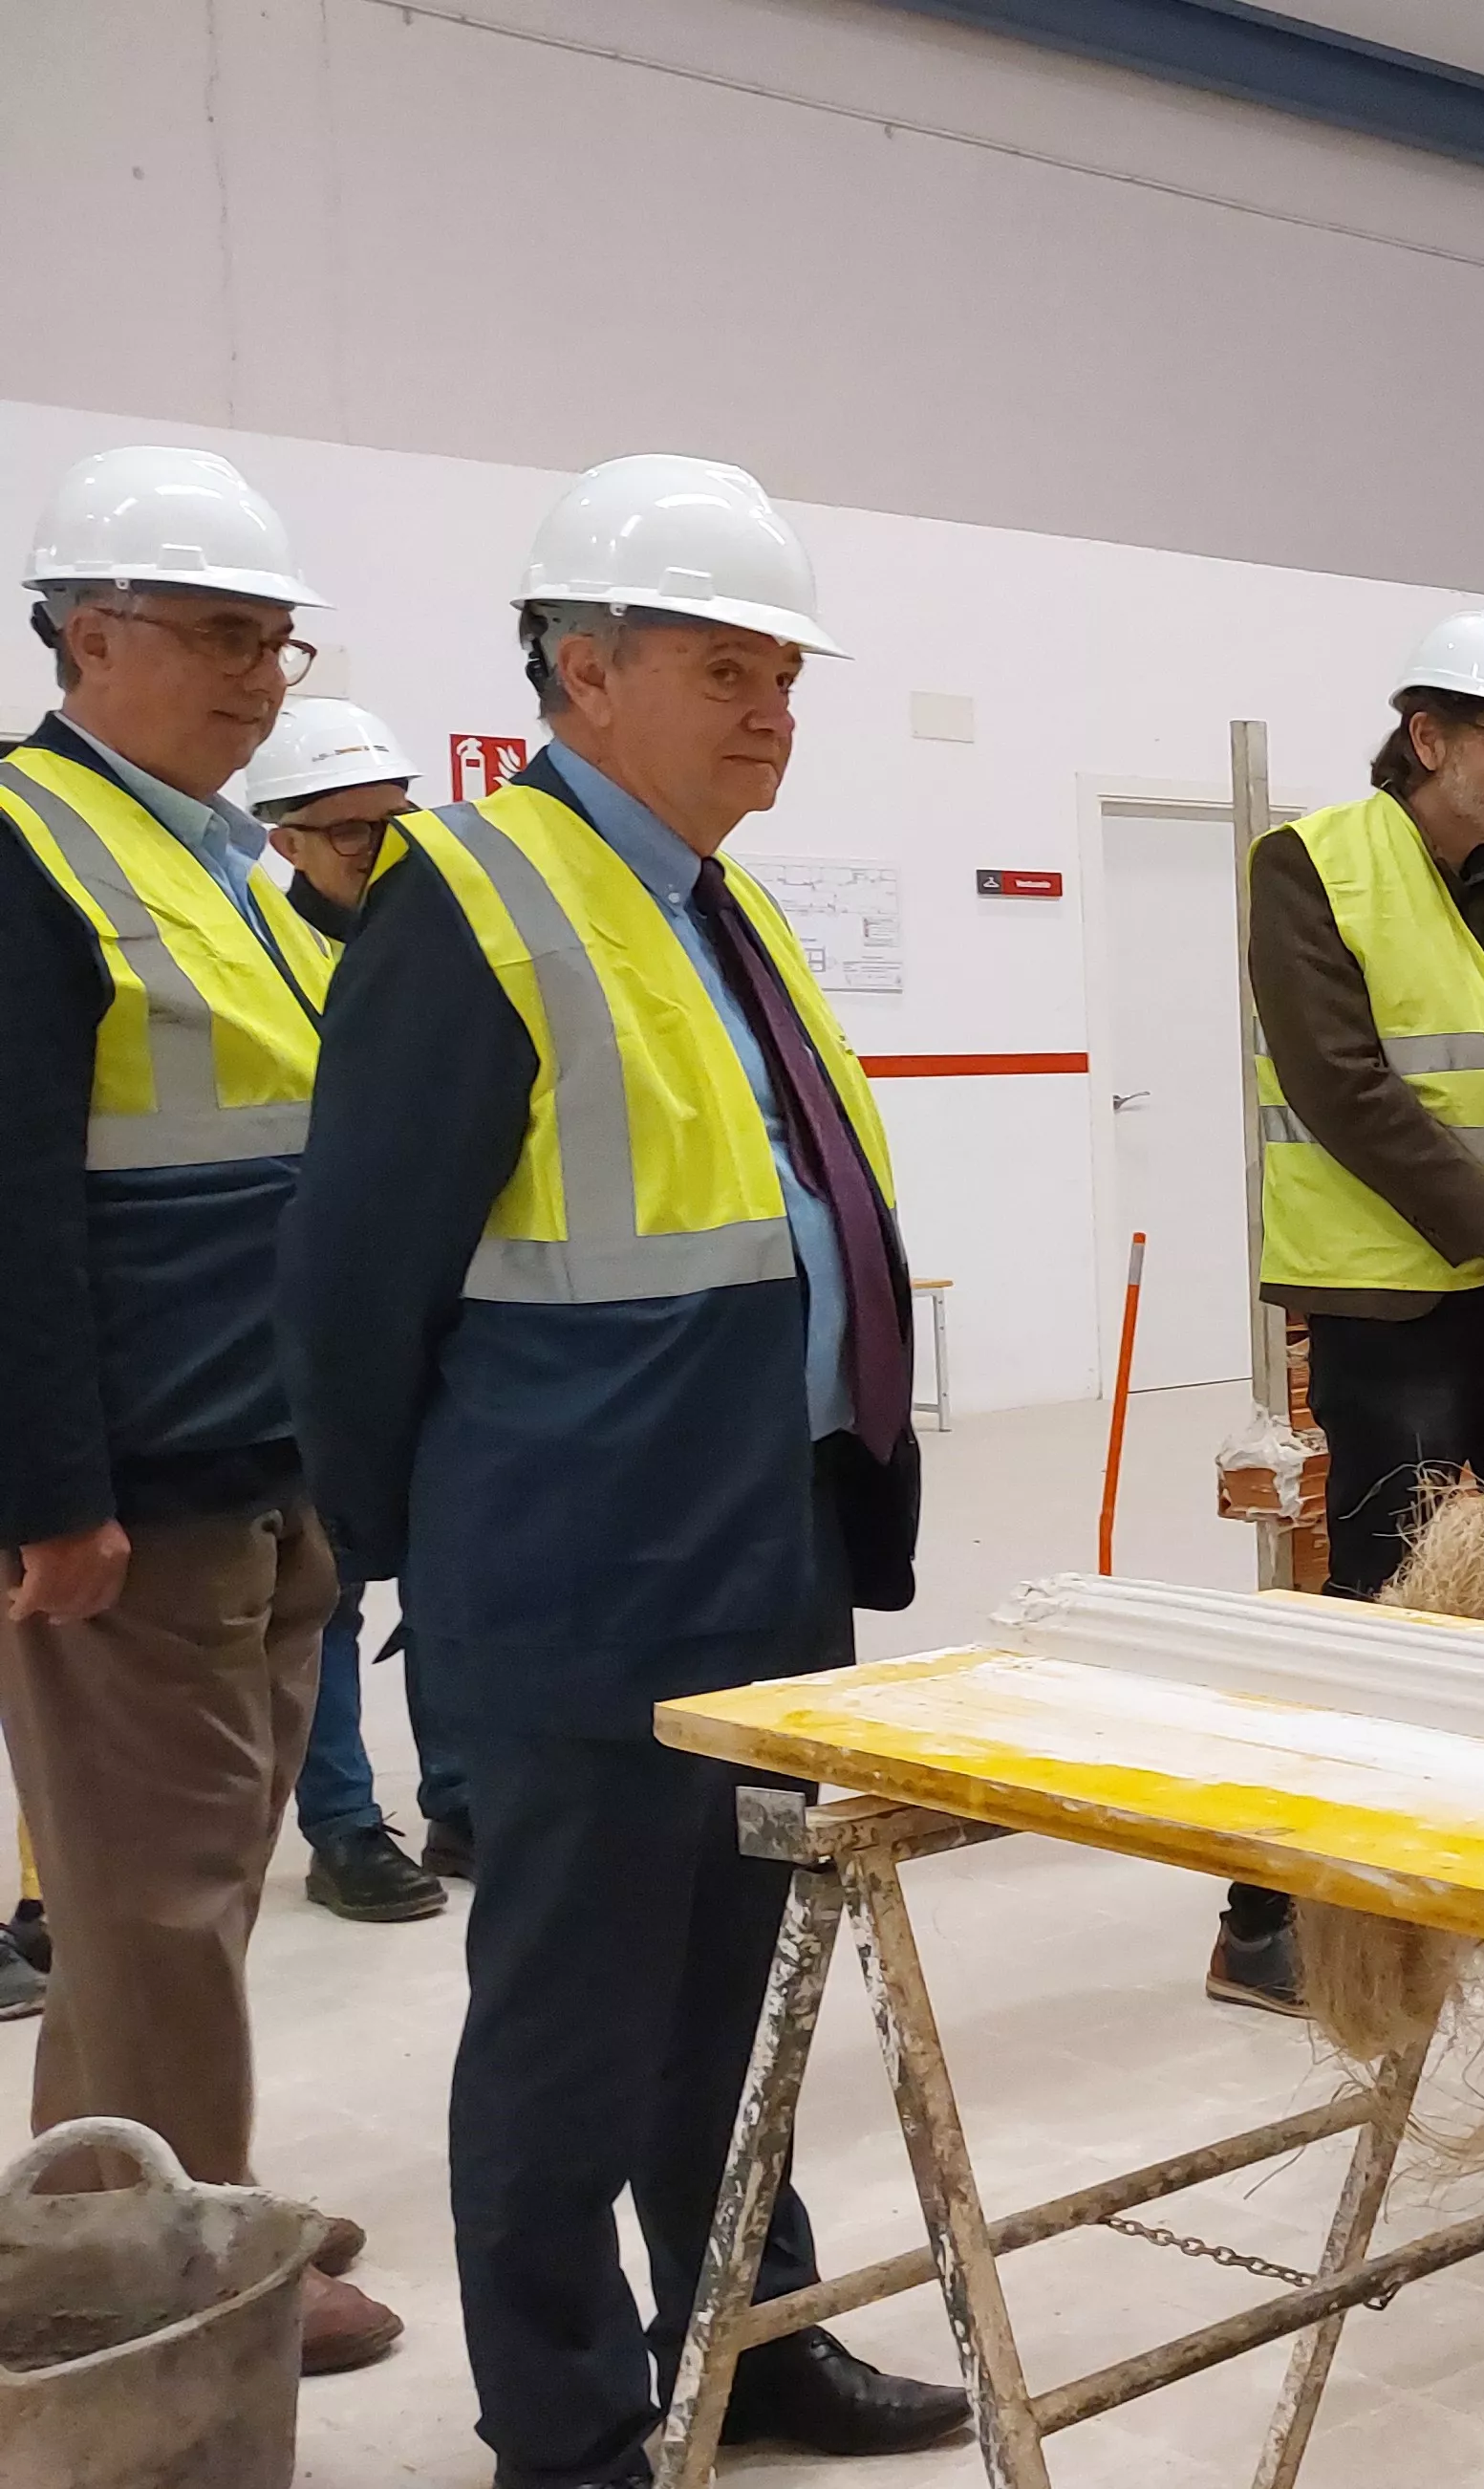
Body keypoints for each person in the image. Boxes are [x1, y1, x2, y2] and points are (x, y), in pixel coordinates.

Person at [285, 455, 968, 2486]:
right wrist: (437, 1576)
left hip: (761, 1545)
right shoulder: (472, 898)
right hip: (576, 1576)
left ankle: (749, 2343)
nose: (772, 710)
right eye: (727, 669)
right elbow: (346, 1290)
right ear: (581, 678)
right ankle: (569, 2429)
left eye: (784, 674)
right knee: (574, 2035)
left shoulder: (710, 908)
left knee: (736, 2008)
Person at [0, 444, 400, 2371]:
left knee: (189, 1895)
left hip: (261, 1451)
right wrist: (46, 1490)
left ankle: (132, 2218)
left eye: (274, 640)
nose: (259, 678)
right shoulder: (23, 848)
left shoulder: (214, 853)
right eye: (218, 635)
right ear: (86, 632)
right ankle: (172, 2295)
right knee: (152, 1907)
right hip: (135, 1489)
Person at [1210, 610, 1484, 2012]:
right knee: (1385, 1602)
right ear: (1425, 735)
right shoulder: (1312, 862)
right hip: (1392, 1304)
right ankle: (1268, 1913)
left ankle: (1475, 1867)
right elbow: (1343, 1084)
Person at [237, 696, 467, 1925]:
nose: (381, 850)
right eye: (348, 833)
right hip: (317, 1319)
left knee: (452, 1574)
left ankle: (464, 1792)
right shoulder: (264, 958)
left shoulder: (436, 935)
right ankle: (342, 1826)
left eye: (395, 821)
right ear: (280, 837)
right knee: (329, 1590)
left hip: (443, 1315)